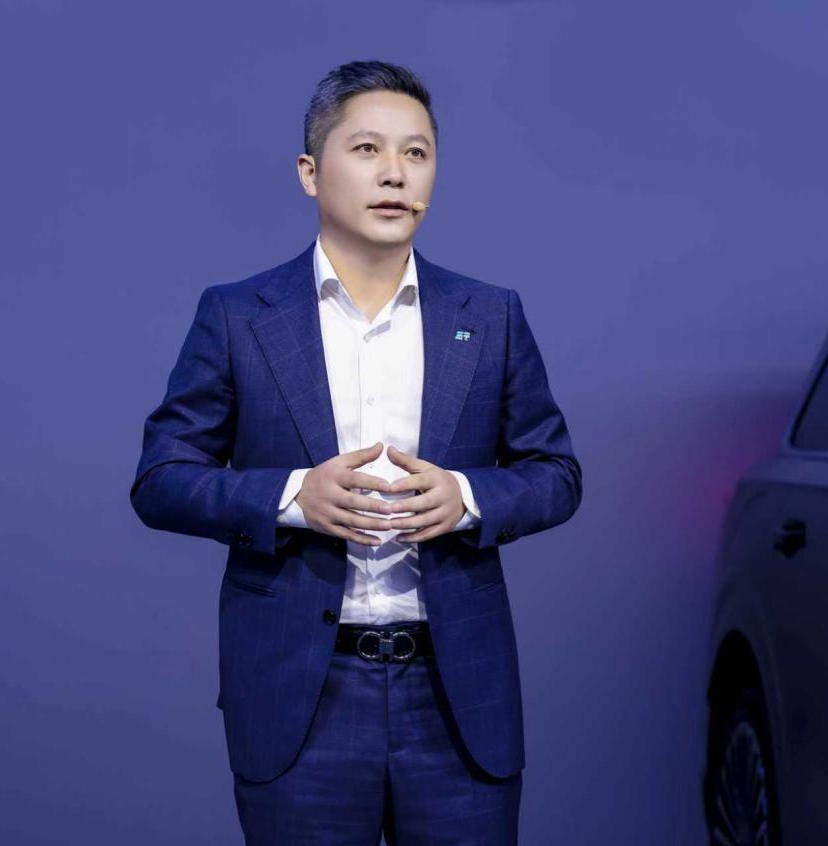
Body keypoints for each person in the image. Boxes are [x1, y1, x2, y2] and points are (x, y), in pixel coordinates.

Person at [129, 59, 583, 845]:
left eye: (416, 153)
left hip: (456, 692)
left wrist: (468, 499)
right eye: (367, 149)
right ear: (310, 172)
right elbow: (161, 479)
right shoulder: (238, 316)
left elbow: (555, 474)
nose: (394, 174)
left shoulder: (490, 315)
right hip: (301, 693)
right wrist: (291, 498)